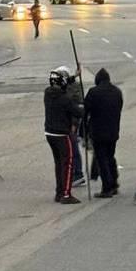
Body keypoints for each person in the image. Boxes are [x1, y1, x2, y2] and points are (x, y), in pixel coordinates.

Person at [44, 69, 84, 204]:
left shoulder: (47, 94)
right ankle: (66, 194)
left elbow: (64, 83)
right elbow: (78, 113)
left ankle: (59, 192)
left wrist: (73, 77)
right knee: (68, 163)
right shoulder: (65, 99)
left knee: (59, 163)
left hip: (49, 133)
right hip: (62, 134)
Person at [84, 68, 123, 198]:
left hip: (98, 131)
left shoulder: (93, 92)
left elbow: (85, 111)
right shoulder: (117, 92)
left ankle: (107, 187)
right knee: (110, 157)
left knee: (102, 160)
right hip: (113, 130)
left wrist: (83, 130)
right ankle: (114, 183)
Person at [56, 66, 86, 187]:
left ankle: (77, 174)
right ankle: (72, 173)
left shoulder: (72, 89)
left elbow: (77, 107)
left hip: (70, 124)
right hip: (63, 123)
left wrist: (74, 124)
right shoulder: (68, 86)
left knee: (72, 149)